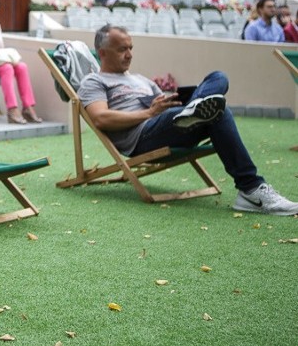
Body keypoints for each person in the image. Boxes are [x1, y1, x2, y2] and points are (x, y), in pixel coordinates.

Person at [78, 24, 297, 215]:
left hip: (169, 121)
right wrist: (149, 113)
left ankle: (193, 109)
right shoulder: (94, 81)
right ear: (103, 53)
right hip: (143, 136)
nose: (129, 54)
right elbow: (100, 118)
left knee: (218, 78)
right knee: (219, 109)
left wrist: (170, 102)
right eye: (122, 49)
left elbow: (159, 105)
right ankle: (251, 188)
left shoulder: (139, 79)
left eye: (131, 48)